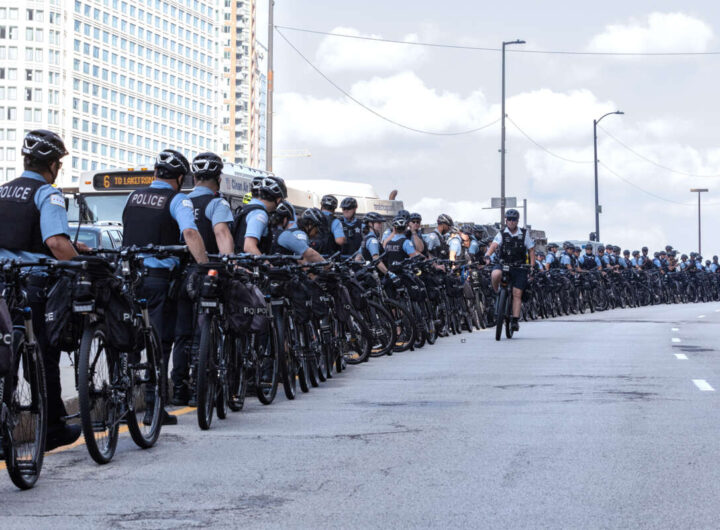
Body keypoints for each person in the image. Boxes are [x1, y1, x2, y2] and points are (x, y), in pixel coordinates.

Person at [0, 129, 84, 450]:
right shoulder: (48, 194)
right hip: (32, 285)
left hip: (2, 283)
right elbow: (55, 243)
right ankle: (50, 429)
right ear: (51, 165)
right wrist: (80, 267)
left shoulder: (3, 191)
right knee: (44, 353)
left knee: (4, 349)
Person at [122, 148, 208, 425]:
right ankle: (153, 408)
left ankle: (122, 406)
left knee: (128, 343)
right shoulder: (178, 199)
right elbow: (190, 233)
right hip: (158, 280)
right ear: (181, 178)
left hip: (129, 279)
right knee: (160, 344)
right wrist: (204, 266)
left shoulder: (133, 196)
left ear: (155, 173)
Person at [171, 152, 233, 406]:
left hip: (180, 275)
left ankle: (178, 389)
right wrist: (229, 263)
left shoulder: (180, 201)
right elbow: (221, 232)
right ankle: (199, 389)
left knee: (182, 334)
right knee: (203, 331)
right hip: (207, 274)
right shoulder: (217, 204)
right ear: (218, 179)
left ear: (193, 178)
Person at [484, 209, 535, 332]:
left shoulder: (524, 233)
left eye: (514, 220)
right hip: (503, 264)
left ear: (517, 221)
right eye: (509, 219)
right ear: (506, 220)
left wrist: (532, 266)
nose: (511, 222)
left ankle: (515, 321)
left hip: (519, 267)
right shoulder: (501, 233)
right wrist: (487, 255)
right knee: (495, 274)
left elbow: (531, 250)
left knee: (517, 293)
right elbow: (494, 245)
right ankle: (497, 293)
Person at [234, 176, 285, 255]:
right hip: (249, 265)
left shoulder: (245, 209)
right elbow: (249, 247)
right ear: (278, 199)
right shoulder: (259, 213)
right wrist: (266, 264)